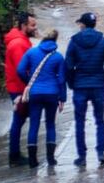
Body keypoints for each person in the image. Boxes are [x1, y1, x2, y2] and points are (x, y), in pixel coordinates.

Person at [65, 11, 104, 166]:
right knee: (100, 120)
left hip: (80, 86)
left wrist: (71, 83)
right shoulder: (103, 41)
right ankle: (101, 152)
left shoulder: (74, 41)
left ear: (82, 24)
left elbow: (68, 65)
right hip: (98, 86)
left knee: (80, 121)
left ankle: (81, 156)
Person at [16, 28, 66, 168]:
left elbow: (20, 70)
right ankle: (51, 159)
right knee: (50, 124)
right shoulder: (58, 57)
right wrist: (62, 98)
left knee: (34, 125)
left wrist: (29, 83)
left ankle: (33, 160)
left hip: (35, 94)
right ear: (55, 40)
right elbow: (62, 79)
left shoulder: (31, 52)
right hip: (52, 94)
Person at [3, 12, 36, 166]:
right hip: (19, 88)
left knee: (19, 119)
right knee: (18, 120)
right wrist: (30, 86)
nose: (35, 28)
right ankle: (14, 155)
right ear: (24, 26)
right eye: (32, 25)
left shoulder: (20, 41)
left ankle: (15, 154)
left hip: (19, 86)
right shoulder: (18, 44)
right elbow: (22, 69)